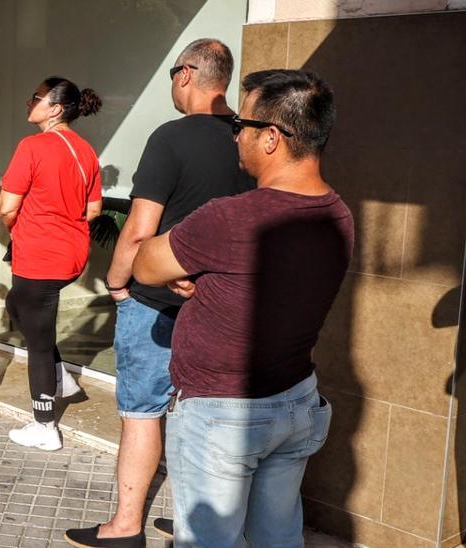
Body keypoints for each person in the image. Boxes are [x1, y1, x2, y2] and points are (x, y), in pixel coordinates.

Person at [131, 69, 348, 547]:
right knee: (277, 538)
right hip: (296, 399)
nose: (235, 137)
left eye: (239, 127)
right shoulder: (337, 213)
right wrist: (209, 279)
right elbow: (269, 285)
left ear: (271, 138)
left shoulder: (231, 217)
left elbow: (144, 264)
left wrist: (190, 272)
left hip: (223, 414)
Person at [65, 39, 258, 548]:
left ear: (188, 74)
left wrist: (118, 284)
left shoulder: (170, 138)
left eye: (174, 72)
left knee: (142, 411)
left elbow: (137, 228)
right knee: (212, 417)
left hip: (158, 304)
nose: (173, 82)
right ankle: (204, 518)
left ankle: (125, 527)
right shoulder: (252, 140)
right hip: (225, 306)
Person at [0, 77, 104, 454]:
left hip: (40, 256)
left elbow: (6, 208)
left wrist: (25, 228)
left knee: (38, 343)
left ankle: (45, 426)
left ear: (55, 109)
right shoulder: (86, 151)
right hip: (71, 255)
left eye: (36, 98)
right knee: (16, 307)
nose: (30, 102)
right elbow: (92, 210)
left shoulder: (33, 146)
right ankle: (63, 379)